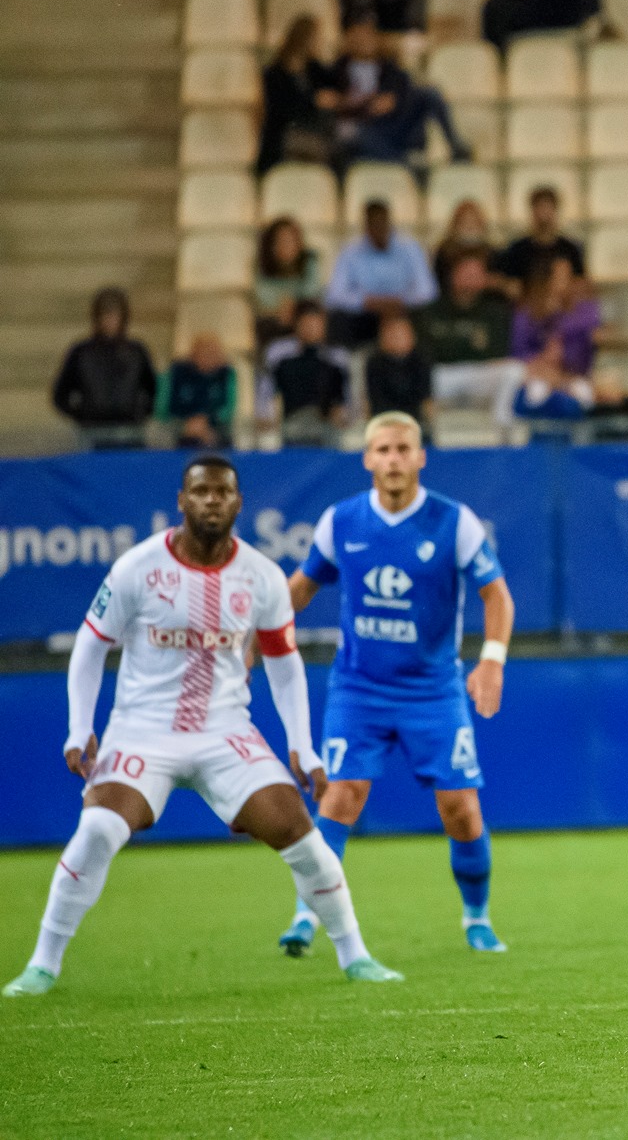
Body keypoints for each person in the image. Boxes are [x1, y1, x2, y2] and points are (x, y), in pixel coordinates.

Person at [2, 456, 401, 997]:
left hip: (225, 733)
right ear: (181, 500)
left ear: (239, 503)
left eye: (223, 492)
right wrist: (79, 728)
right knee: (97, 830)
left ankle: (356, 956)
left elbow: (284, 665)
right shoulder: (137, 567)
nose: (212, 500)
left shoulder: (261, 576)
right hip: (142, 729)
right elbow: (90, 646)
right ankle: (42, 965)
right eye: (201, 491)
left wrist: (302, 747)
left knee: (300, 833)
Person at [276, 414, 516, 958]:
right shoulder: (341, 521)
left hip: (433, 689)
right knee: (341, 795)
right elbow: (302, 586)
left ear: (420, 457)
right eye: (382, 449)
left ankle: (477, 918)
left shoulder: (453, 521)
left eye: (403, 449)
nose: (393, 459)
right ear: (367, 458)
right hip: (359, 687)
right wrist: (255, 634)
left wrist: (492, 661)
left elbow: (497, 596)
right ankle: (306, 915)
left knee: (461, 809)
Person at [317, 14, 467, 168]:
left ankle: (456, 147)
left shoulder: (389, 67)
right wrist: (359, 103)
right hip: (362, 127)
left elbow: (399, 95)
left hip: (392, 124)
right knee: (350, 133)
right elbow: (328, 100)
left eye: (367, 35)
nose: (363, 41)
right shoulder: (335, 71)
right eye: (357, 36)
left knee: (430, 93)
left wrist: (392, 100)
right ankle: (406, 165)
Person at [414, 250, 519, 417]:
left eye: (476, 274)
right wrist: (467, 346)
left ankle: (501, 424)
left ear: (485, 278)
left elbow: (498, 352)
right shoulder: (430, 310)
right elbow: (424, 352)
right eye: (466, 272)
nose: (471, 278)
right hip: (442, 374)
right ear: (452, 275)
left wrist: (456, 346)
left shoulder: (495, 311)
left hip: (478, 373)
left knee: (514, 370)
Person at [324, 199, 437, 348]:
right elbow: (334, 295)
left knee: (427, 315)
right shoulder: (350, 251)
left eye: (382, 223)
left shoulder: (410, 247)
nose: (379, 228)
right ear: (366, 226)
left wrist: (398, 302)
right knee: (338, 318)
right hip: (365, 314)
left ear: (389, 222)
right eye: (373, 224)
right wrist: (368, 302)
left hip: (403, 310)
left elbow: (427, 291)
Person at [50, 287, 155, 447]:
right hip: (91, 433)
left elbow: (152, 389)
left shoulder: (137, 352)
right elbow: (60, 394)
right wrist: (81, 415)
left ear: (123, 317)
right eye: (105, 314)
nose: (110, 320)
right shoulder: (81, 352)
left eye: (115, 315)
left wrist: (140, 414)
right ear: (96, 317)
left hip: (129, 432)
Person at [257, 15, 333, 173]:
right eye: (316, 38)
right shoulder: (274, 74)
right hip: (284, 135)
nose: (320, 42)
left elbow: (334, 86)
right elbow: (280, 109)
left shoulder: (314, 69)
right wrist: (313, 101)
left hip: (313, 130)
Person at [267, 300, 349, 442]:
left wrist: (342, 414)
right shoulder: (279, 354)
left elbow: (346, 395)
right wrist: (267, 417)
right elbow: (268, 391)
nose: (311, 329)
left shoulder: (337, 357)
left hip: (327, 425)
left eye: (316, 325)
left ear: (324, 326)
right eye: (306, 324)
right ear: (296, 325)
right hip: (291, 421)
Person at [511, 257, 602, 378]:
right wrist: (542, 360)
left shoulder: (580, 309)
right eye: (560, 277)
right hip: (535, 373)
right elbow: (518, 353)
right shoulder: (526, 314)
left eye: (569, 276)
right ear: (545, 280)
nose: (567, 282)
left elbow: (593, 321)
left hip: (571, 375)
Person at [491, 186, 585, 290]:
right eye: (540, 208)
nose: (543, 215)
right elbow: (508, 283)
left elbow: (579, 282)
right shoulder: (517, 250)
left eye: (548, 208)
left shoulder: (569, 249)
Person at [158, 331, 236, 448]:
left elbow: (228, 409)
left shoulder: (227, 374)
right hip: (179, 427)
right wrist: (187, 424)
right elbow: (162, 409)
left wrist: (207, 422)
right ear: (193, 353)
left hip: (214, 429)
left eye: (213, 353)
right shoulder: (176, 372)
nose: (209, 357)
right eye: (204, 352)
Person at [254, 216, 322, 349]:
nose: (286, 245)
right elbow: (263, 297)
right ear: (271, 245)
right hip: (275, 318)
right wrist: (281, 308)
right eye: (280, 241)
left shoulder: (309, 260)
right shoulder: (261, 265)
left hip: (302, 316)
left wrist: (294, 307)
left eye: (290, 240)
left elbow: (312, 291)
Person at [365, 313, 433, 423]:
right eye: (392, 335)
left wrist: (427, 419)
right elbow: (374, 398)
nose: (397, 339)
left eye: (401, 335)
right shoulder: (374, 362)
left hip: (414, 418)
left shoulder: (421, 359)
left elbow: (426, 396)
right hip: (384, 418)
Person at [431, 199, 495, 295]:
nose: (469, 226)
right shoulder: (444, 251)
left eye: (473, 221)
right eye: (465, 221)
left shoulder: (490, 252)